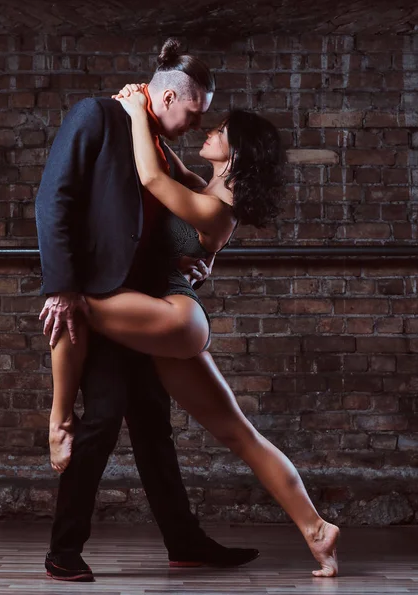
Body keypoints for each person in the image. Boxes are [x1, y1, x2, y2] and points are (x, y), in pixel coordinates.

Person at [42, 79, 340, 578]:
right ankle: (316, 529)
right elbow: (169, 173)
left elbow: (154, 179)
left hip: (176, 314)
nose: (207, 129)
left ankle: (56, 423)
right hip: (164, 315)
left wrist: (137, 110)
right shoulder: (213, 188)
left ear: (236, 152)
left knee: (72, 303)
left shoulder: (216, 203)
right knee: (237, 434)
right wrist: (150, 116)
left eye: (218, 129)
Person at [35, 39, 260, 583]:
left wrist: (190, 262)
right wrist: (62, 287)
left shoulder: (157, 143)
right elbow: (53, 198)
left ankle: (184, 542)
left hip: (143, 306)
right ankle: (63, 549)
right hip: (99, 300)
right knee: (106, 416)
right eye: (191, 112)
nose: (193, 124)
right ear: (166, 96)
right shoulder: (99, 116)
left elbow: (169, 217)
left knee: (154, 426)